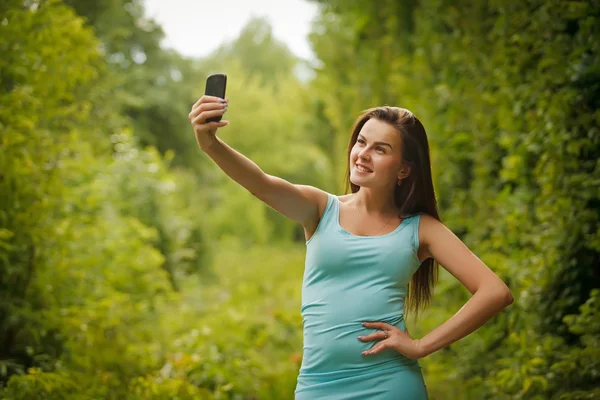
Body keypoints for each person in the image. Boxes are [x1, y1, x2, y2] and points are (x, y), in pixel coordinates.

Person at [188, 95, 514, 399]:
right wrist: (210, 143)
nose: (363, 154)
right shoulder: (320, 209)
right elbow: (261, 182)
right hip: (318, 385)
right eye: (361, 142)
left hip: (389, 384)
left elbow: (494, 291)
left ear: (404, 169)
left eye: (381, 149)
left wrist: (420, 346)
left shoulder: (421, 228)